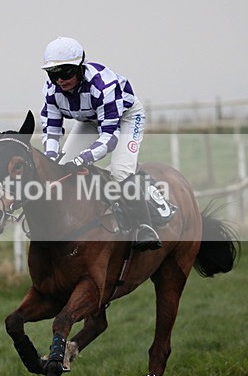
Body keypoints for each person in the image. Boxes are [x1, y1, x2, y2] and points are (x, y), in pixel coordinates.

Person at [39, 36, 174, 250]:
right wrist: (52, 157)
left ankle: (144, 227)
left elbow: (109, 137)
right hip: (90, 120)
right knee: (61, 167)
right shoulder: (52, 90)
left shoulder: (103, 86)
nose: (60, 81)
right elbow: (52, 130)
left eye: (65, 73)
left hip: (126, 117)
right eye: (53, 75)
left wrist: (83, 158)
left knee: (120, 171)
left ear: (80, 68)